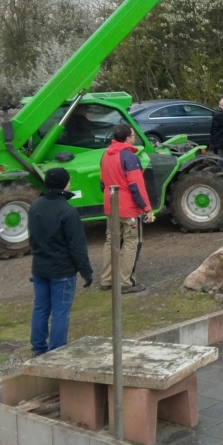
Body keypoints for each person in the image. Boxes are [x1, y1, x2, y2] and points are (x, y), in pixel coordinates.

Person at [28, 167, 92, 355]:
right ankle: (56, 351)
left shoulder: (35, 206)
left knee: (40, 308)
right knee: (60, 312)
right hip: (62, 271)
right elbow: (77, 246)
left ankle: (38, 348)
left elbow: (32, 238)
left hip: (39, 268)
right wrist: (86, 272)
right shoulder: (68, 211)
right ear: (65, 184)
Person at [100, 123, 153, 293]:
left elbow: (102, 183)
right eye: (133, 134)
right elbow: (137, 186)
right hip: (128, 208)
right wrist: (146, 208)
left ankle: (107, 279)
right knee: (132, 242)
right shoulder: (129, 157)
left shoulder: (105, 155)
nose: (135, 137)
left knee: (111, 241)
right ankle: (126, 281)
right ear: (128, 138)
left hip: (111, 206)